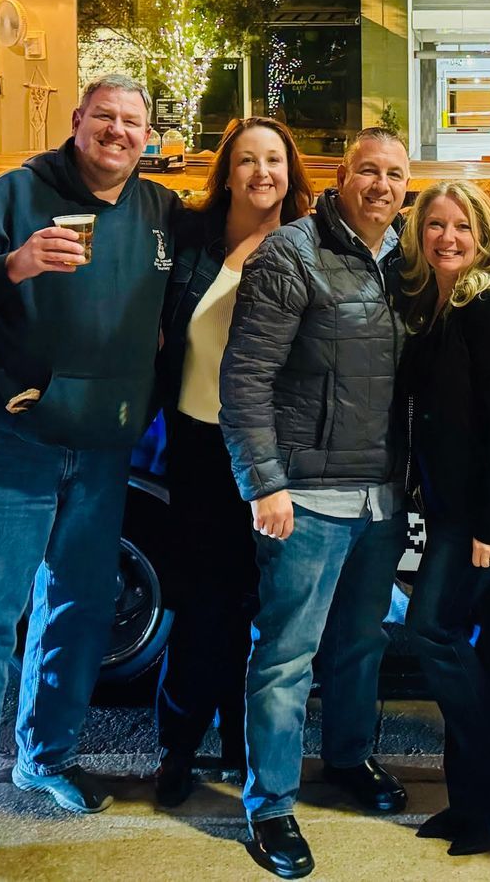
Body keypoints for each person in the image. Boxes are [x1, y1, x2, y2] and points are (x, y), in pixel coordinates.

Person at [0, 75, 179, 878]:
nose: (120, 132)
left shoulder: (159, 210)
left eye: (134, 122)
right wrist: (11, 265)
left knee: (79, 611)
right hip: (14, 443)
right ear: (78, 121)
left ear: (147, 136)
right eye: (106, 117)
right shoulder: (16, 194)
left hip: (104, 451)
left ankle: (44, 755)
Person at [220, 125, 413, 880]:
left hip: (381, 494)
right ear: (341, 175)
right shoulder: (291, 253)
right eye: (369, 171)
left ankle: (350, 759)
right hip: (305, 495)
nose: (382, 186)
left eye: (395, 174)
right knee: (285, 656)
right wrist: (264, 481)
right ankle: (269, 806)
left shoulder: (407, 257)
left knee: (361, 643)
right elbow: (245, 381)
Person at [151, 117, 313, 808]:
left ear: (291, 170)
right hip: (198, 445)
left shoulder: (313, 240)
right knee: (203, 606)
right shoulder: (191, 239)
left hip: (279, 457)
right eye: (247, 160)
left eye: (273, 159)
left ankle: (249, 748)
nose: (261, 173)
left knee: (268, 612)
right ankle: (180, 747)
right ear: (228, 171)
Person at [395, 180, 490, 856]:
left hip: (482, 513)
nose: (448, 237)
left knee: (433, 628)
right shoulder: (436, 301)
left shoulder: (489, 306)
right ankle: (484, 795)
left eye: (461, 226)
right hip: (453, 503)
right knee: (477, 645)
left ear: (483, 234)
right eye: (436, 225)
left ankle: (482, 795)